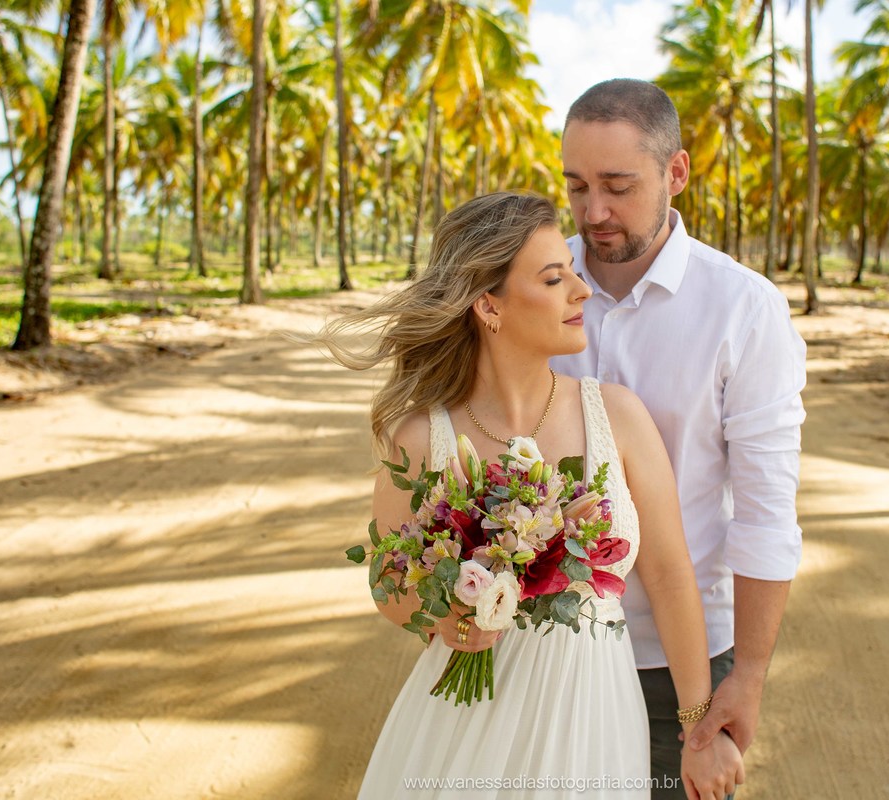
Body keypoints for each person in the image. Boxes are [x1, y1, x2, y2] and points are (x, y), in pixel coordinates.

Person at [307, 192, 744, 799]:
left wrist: (698, 731)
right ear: (489, 304)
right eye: (553, 277)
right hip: (466, 724)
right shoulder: (420, 437)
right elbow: (388, 584)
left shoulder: (616, 416)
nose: (581, 291)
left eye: (571, 274)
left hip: (593, 720)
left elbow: (670, 575)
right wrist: (452, 620)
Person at [551, 79, 807, 797]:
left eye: (617, 186)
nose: (593, 212)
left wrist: (749, 676)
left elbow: (764, 514)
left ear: (677, 173)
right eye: (575, 186)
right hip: (544, 644)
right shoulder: (534, 285)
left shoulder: (743, 310)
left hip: (683, 660)